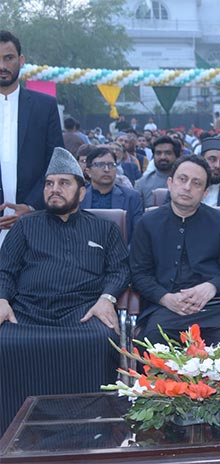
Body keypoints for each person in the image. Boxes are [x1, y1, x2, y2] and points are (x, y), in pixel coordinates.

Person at [0, 147, 129, 433]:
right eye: (49, 183)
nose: (54, 189)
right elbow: (5, 269)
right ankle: (12, 433)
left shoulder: (104, 229)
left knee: (100, 339)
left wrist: (107, 298)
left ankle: (91, 431)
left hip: (81, 313)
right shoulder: (25, 227)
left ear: (82, 193)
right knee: (3, 341)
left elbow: (120, 269)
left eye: (63, 183)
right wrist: (2, 299)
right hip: (28, 312)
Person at [130, 155, 220, 347]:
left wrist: (211, 286)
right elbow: (139, 273)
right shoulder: (147, 223)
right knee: (153, 339)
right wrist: (165, 298)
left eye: (196, 183)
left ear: (205, 192)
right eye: (182, 179)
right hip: (167, 307)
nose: (187, 187)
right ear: (170, 183)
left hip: (216, 306)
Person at [0, 31, 64, 247]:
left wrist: (31, 206)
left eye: (8, 58)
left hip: (35, 225)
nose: (2, 66)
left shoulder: (44, 106)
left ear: (21, 60)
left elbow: (55, 163)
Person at [80, 146, 144, 242]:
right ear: (88, 172)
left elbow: (138, 236)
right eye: (100, 165)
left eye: (111, 165)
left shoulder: (132, 197)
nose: (107, 169)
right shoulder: (78, 197)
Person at [136, 135, 179, 206]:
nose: (163, 157)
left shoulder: (186, 183)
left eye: (168, 153)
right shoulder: (141, 184)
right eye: (158, 153)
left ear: (177, 156)